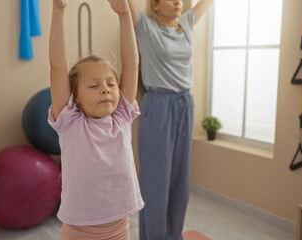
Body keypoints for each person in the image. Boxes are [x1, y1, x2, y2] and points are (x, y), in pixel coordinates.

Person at [48, 0, 144, 239]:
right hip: (79, 232)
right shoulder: (70, 123)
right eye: (93, 85)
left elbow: (132, 66)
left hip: (120, 229)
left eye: (111, 84)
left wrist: (124, 15)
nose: (105, 89)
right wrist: (58, 10)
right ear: (76, 97)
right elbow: (57, 67)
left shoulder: (121, 116)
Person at [125, 0, 214, 239]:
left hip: (185, 104)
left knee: (180, 182)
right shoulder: (145, 27)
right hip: (159, 105)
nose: (179, 2)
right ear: (155, 5)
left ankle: (173, 235)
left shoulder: (185, 24)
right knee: (155, 182)